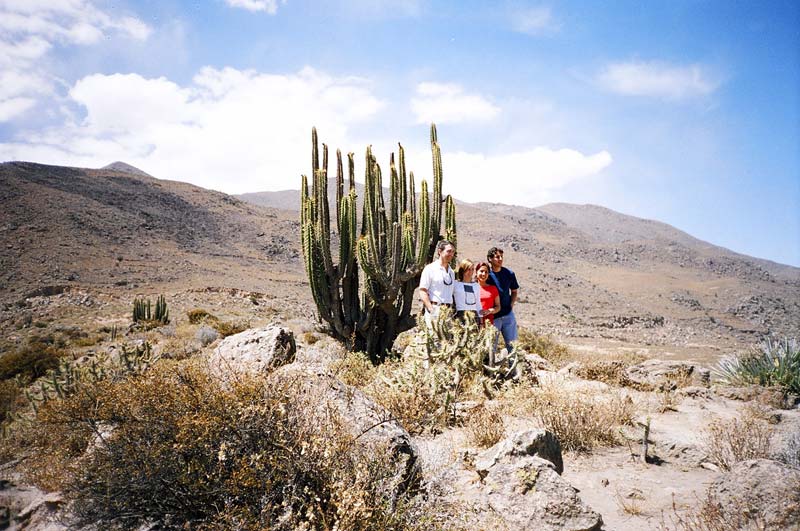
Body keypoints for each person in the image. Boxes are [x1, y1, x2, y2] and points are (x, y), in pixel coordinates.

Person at [485, 246, 519, 352]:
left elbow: (514, 291)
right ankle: (491, 368)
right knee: (491, 347)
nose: (500, 259)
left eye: (501, 257)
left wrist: (511, 305)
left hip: (508, 315)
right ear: (490, 259)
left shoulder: (509, 274)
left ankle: (513, 368)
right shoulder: (487, 275)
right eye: (497, 257)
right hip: (493, 317)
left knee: (512, 345)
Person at [419, 240, 456, 324]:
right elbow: (422, 291)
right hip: (435, 309)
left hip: (448, 311)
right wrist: (431, 309)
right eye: (449, 251)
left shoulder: (451, 272)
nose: (451, 254)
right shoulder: (430, 269)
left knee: (446, 337)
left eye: (453, 252)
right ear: (440, 251)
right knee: (434, 336)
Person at [475, 261, 501, 326]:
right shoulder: (472, 287)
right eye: (481, 271)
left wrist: (490, 311)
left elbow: (498, 306)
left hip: (488, 323)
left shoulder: (493, 289)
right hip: (473, 322)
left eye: (486, 272)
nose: (483, 274)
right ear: (476, 272)